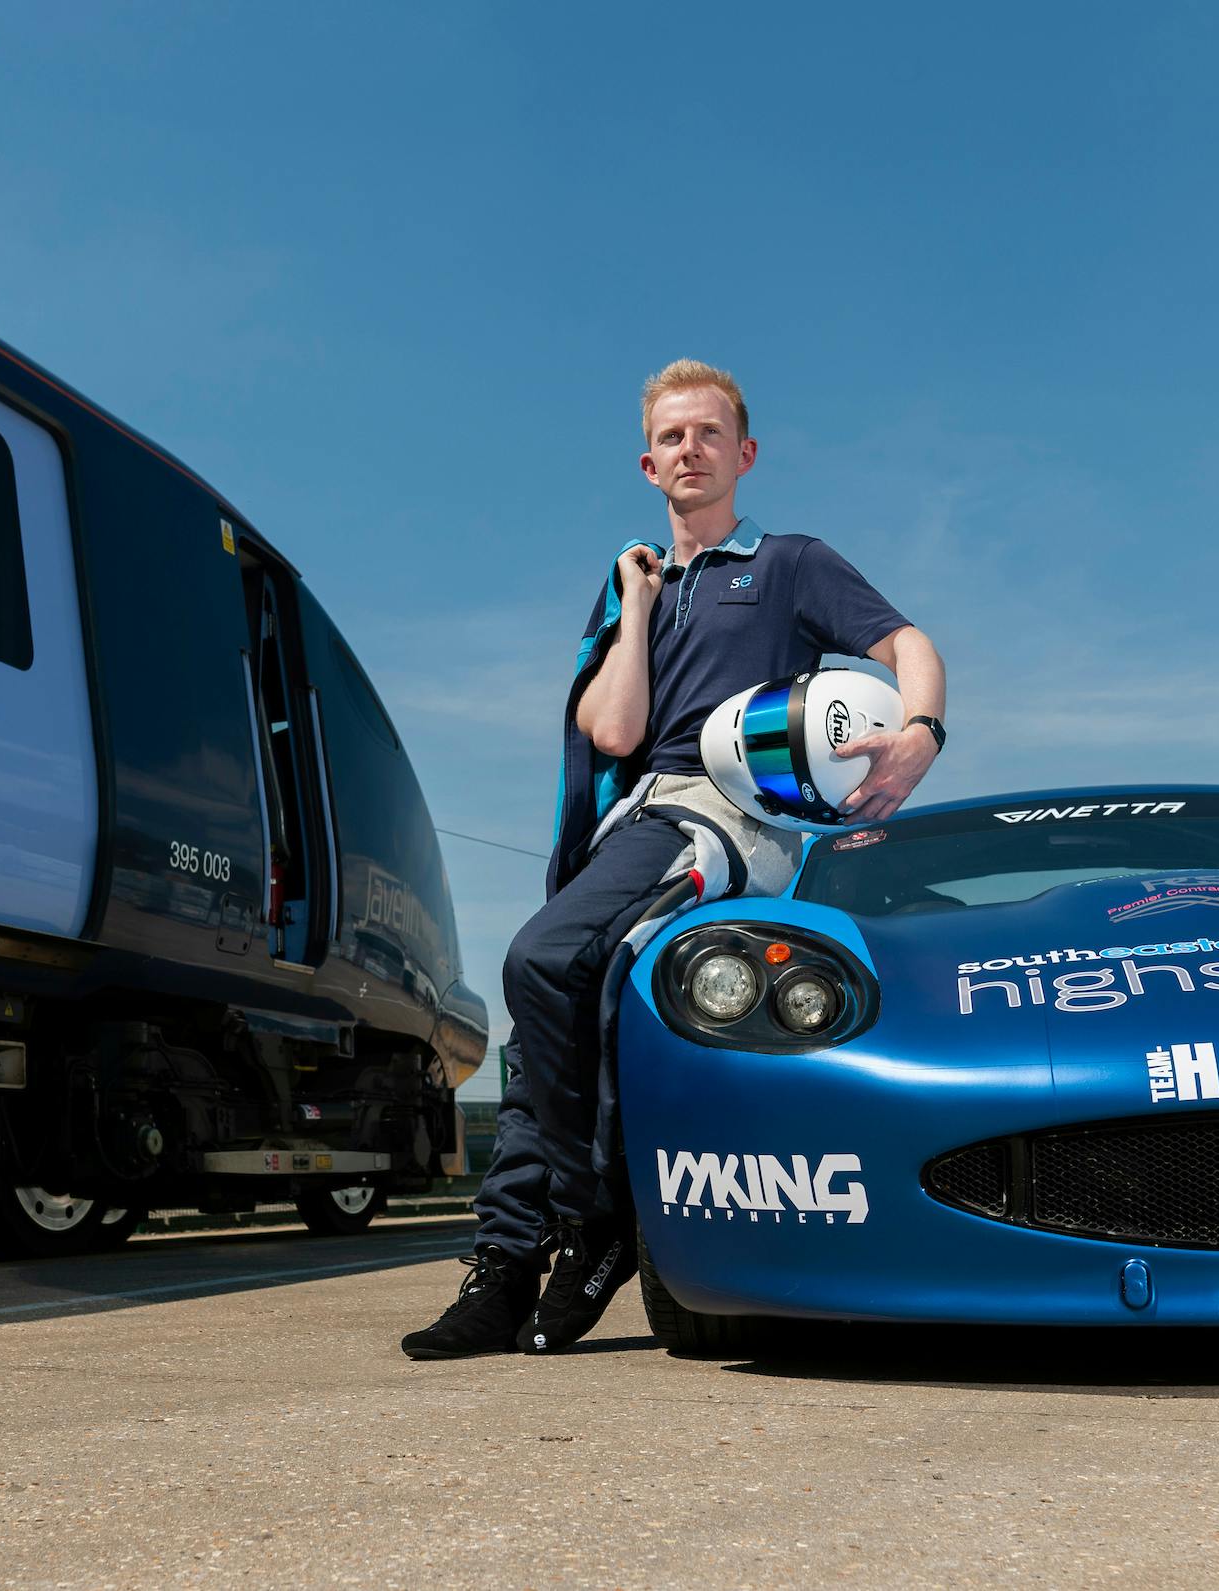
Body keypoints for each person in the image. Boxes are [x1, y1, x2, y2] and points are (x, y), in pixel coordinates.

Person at [401, 360, 947, 1359]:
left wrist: (918, 732)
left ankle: (597, 1213)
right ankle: (503, 1273)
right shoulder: (632, 592)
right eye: (672, 437)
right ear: (647, 462)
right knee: (555, 1027)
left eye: (709, 434)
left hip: (721, 816)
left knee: (540, 959)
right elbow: (613, 732)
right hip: (634, 821)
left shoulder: (787, 564)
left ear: (743, 455)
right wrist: (639, 608)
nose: (689, 450)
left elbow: (907, 641)